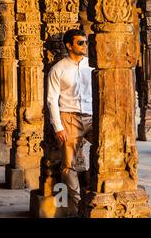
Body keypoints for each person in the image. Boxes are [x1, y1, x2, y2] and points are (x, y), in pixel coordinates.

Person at [47, 29, 94, 216]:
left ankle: (91, 187)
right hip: (69, 117)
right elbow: (51, 99)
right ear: (69, 45)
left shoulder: (91, 66)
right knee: (68, 164)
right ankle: (76, 205)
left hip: (91, 116)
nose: (84, 45)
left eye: (85, 42)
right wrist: (58, 126)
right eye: (80, 42)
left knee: (105, 150)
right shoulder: (58, 68)